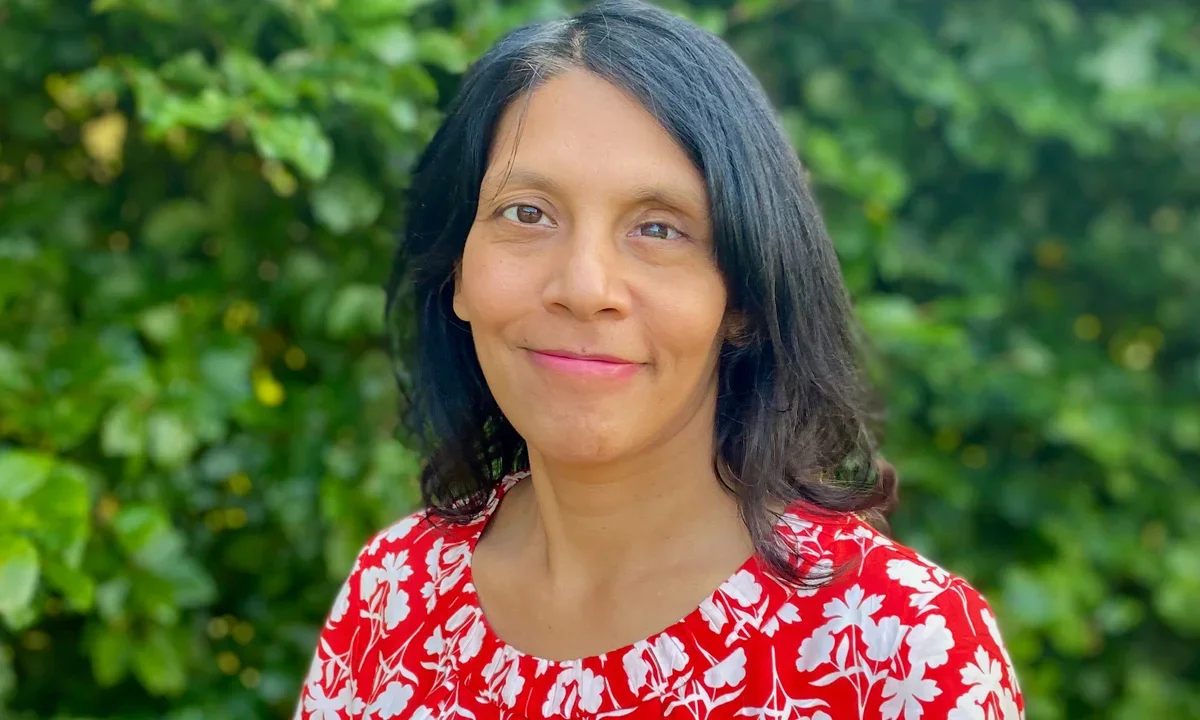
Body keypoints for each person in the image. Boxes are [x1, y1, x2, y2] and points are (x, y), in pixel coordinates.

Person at [294, 1, 1024, 718]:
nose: (585, 288)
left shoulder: (898, 651)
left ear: (743, 294)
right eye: (527, 213)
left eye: (658, 228)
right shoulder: (393, 595)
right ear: (457, 270)